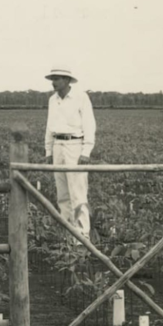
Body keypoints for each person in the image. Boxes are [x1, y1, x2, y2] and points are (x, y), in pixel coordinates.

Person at [44, 67, 96, 241]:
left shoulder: (81, 97)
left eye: (57, 79)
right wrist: (49, 150)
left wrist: (86, 151)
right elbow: (49, 126)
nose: (53, 82)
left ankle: (82, 239)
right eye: (53, 79)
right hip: (58, 145)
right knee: (62, 194)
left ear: (66, 80)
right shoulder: (53, 100)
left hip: (75, 145)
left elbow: (89, 124)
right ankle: (68, 236)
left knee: (77, 193)